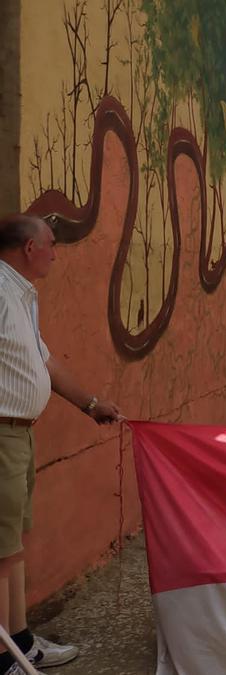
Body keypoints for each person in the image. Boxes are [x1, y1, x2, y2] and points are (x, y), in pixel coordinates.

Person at [1, 213, 122, 674]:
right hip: (1, 435)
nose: (56, 251)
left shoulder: (21, 296)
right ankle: (5, 659)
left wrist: (91, 404)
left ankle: (20, 643)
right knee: (2, 551)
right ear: (29, 248)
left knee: (11, 548)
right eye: (51, 243)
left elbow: (45, 363)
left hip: (18, 435)